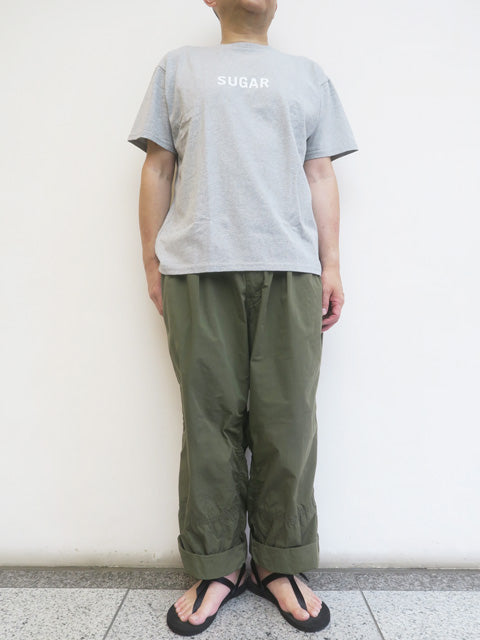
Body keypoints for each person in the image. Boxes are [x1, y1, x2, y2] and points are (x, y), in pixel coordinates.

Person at [127, 0, 358, 635]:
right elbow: (158, 166)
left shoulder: (308, 75)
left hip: (290, 271)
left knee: (289, 422)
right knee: (209, 422)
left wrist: (331, 264)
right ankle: (217, 565)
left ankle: (281, 562)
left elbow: (319, 172)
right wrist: (151, 261)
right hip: (198, 269)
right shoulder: (177, 68)